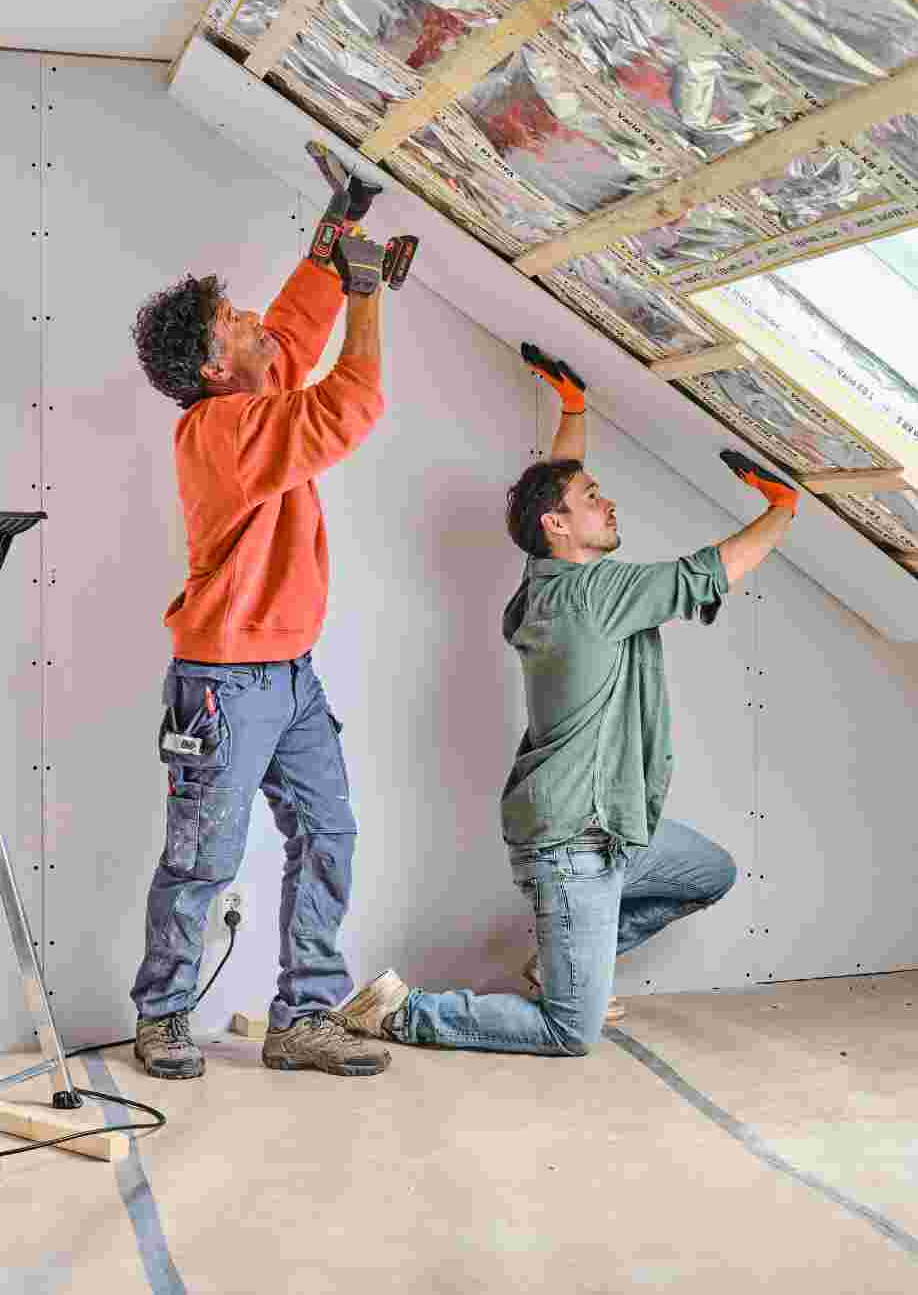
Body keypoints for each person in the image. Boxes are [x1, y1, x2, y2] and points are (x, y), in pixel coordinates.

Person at [336, 343, 799, 1056]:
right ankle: (401, 1012)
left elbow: (555, 494)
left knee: (710, 873)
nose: (607, 503)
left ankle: (571, 963)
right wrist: (784, 509)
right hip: (573, 846)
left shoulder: (545, 581)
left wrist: (574, 411)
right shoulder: (595, 595)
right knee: (569, 1032)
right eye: (593, 499)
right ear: (558, 525)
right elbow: (709, 572)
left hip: (612, 827)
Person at [126, 148, 396, 1080]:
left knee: (328, 836)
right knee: (204, 858)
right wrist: (368, 295)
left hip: (290, 675)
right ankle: (162, 1017)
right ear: (213, 366)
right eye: (232, 323)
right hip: (224, 686)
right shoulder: (222, 430)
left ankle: (304, 1017)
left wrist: (340, 226)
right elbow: (350, 403)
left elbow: (292, 325)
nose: (252, 323)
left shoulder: (252, 389)